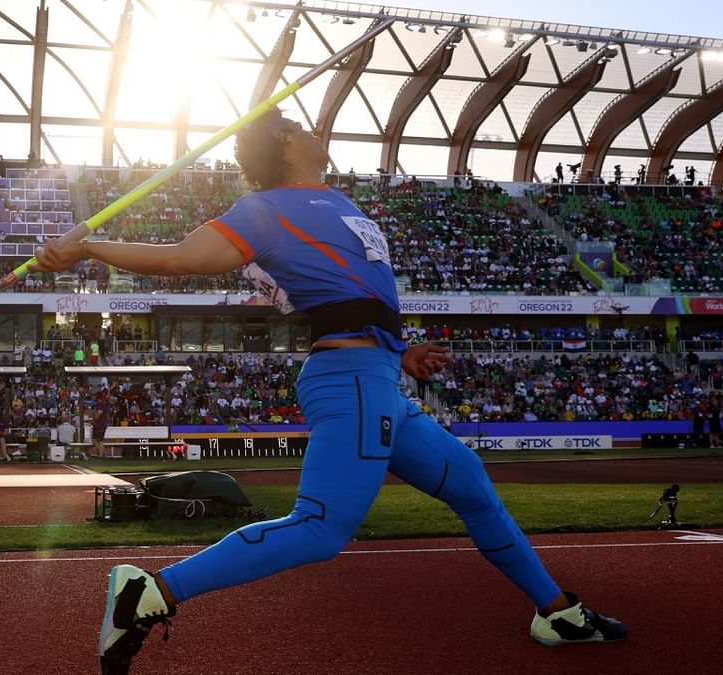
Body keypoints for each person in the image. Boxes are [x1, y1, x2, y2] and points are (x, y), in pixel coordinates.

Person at [32, 109, 626, 674]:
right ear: (286, 144)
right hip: (352, 382)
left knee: (472, 487)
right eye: (298, 126)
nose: (315, 130)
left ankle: (558, 614)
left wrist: (399, 350)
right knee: (320, 528)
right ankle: (152, 591)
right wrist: (87, 247)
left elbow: (352, 292)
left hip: (379, 379)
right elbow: (184, 260)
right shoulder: (263, 208)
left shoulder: (337, 201)